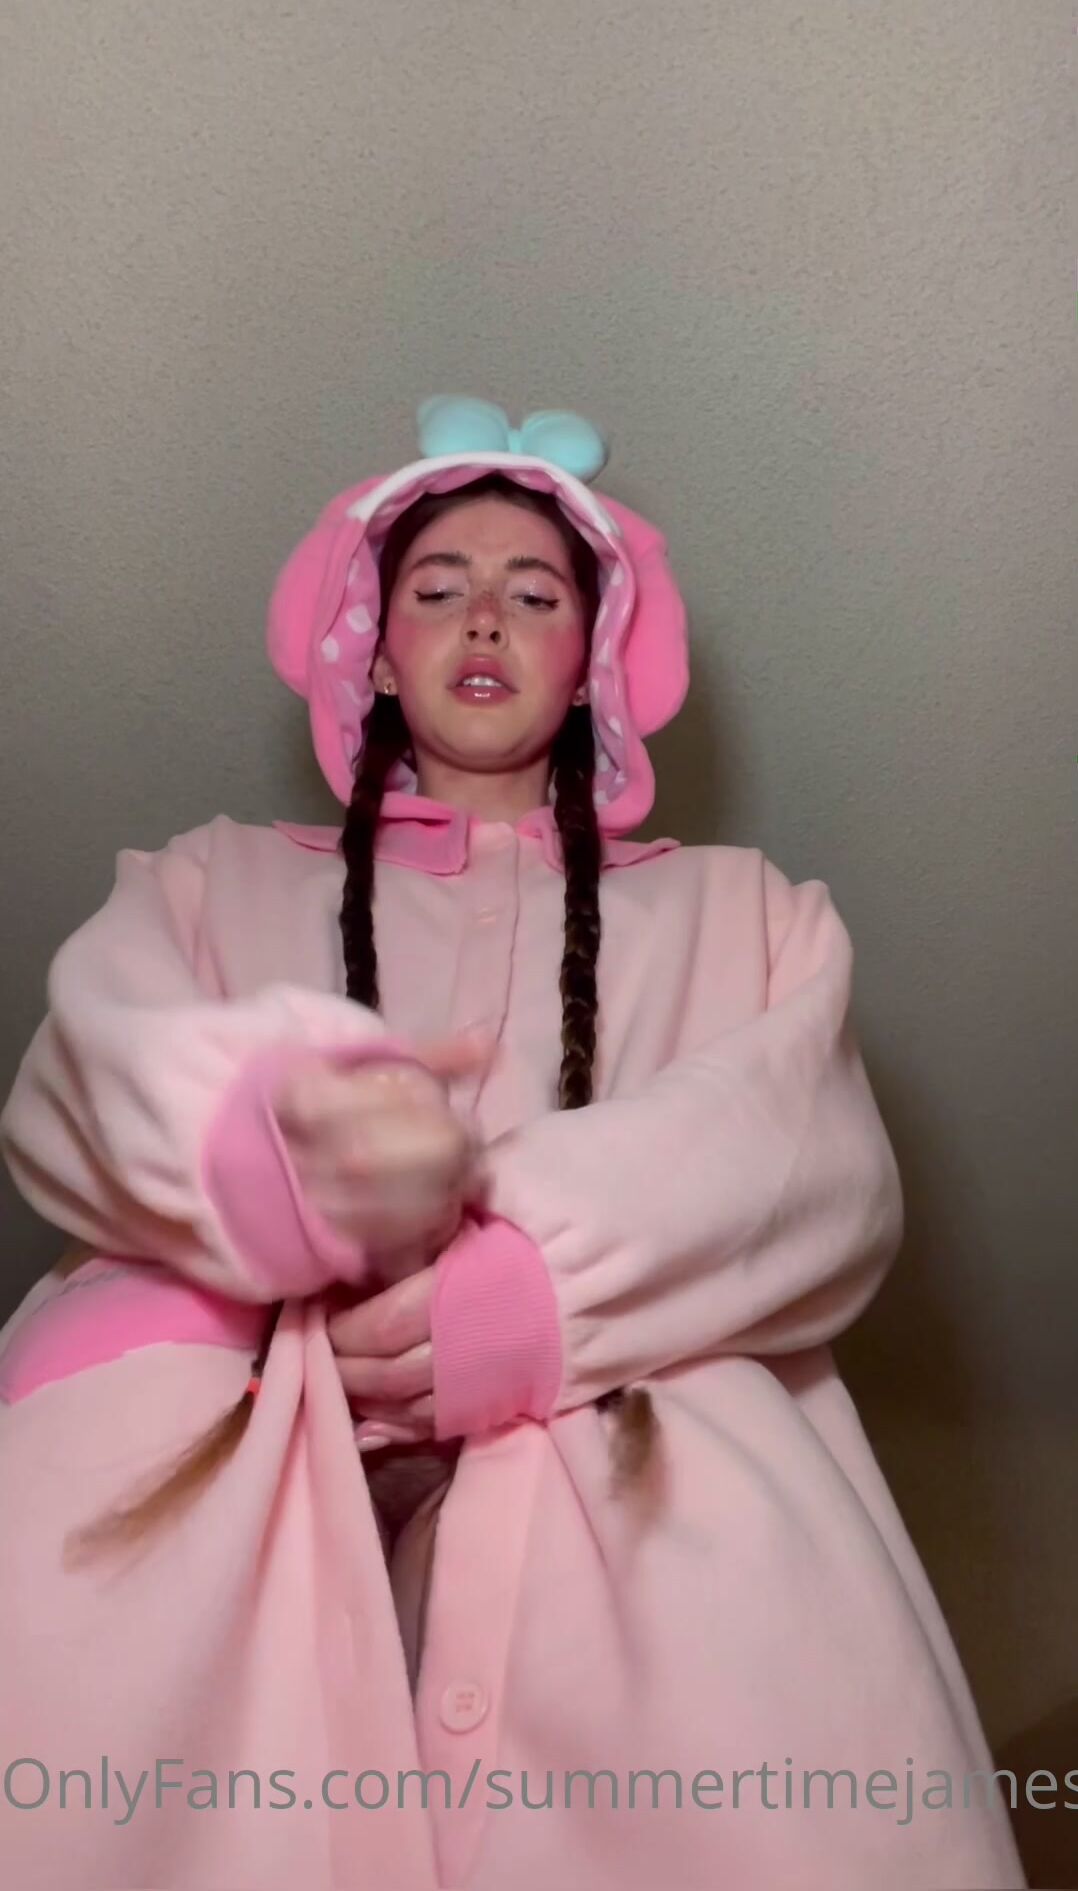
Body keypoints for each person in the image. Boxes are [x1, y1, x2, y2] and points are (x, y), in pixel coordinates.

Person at [0, 396, 1025, 1890]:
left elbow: (807, 1160)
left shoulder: (747, 915)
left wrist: (530, 1292)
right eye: (438, 587)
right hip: (207, 1472)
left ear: (594, 657)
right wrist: (279, 1161)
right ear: (374, 647)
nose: (485, 615)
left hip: (632, 1488)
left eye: (536, 594)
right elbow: (88, 1074)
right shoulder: (205, 884)